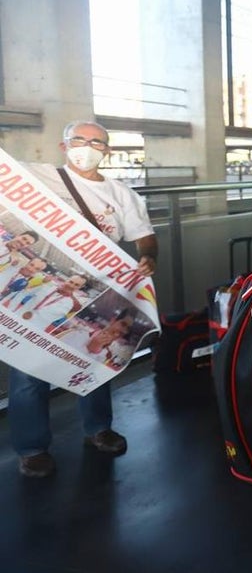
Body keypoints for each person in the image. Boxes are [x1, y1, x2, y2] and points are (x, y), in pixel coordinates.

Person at [8, 120, 157, 478]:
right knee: (28, 369)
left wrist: (149, 257)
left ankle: (98, 429)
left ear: (107, 151)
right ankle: (32, 448)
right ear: (64, 145)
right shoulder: (36, 177)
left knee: (95, 361)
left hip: (98, 290)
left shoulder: (122, 195)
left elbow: (145, 237)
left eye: (97, 142)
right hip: (40, 290)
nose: (87, 148)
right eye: (79, 140)